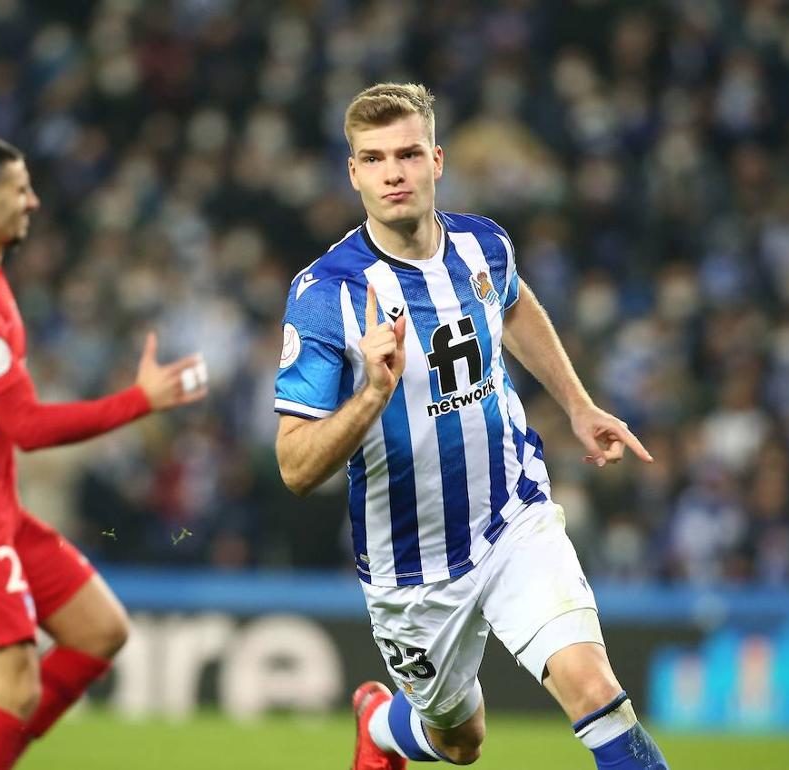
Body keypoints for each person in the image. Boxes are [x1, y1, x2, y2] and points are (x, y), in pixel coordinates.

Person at [274, 84, 669, 769]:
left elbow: (513, 306)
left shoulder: (484, 244)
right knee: (460, 742)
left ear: (437, 160)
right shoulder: (327, 295)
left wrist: (577, 404)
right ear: (354, 173)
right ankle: (380, 727)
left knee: (596, 690)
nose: (393, 172)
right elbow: (295, 468)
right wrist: (371, 396)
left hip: (512, 514)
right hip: (411, 565)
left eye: (407, 154)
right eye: (374, 159)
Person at [0, 133, 207, 769]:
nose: (33, 202)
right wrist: (138, 401)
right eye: (20, 190)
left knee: (99, 630)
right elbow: (27, 426)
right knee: (13, 688)